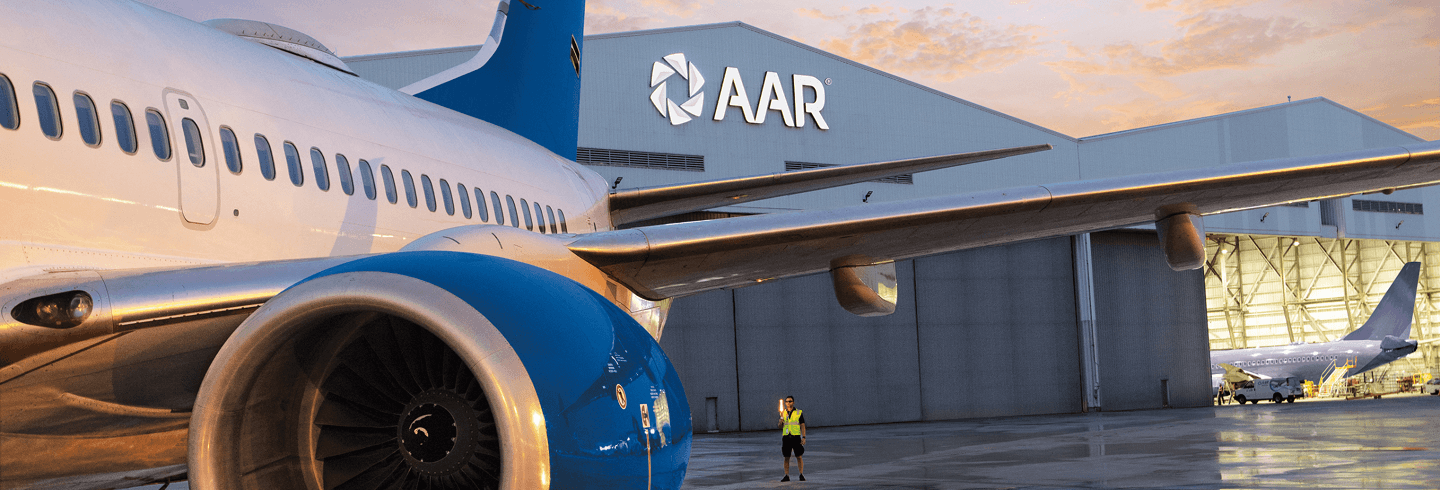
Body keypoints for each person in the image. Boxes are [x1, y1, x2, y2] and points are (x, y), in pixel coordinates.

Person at [777, 395, 806, 482]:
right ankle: (786, 475)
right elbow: (780, 426)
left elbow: (802, 425)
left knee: (799, 456)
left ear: (793, 402)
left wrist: (803, 437)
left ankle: (801, 474)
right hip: (786, 438)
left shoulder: (798, 412)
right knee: (786, 457)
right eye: (787, 401)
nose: (788, 403)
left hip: (796, 437)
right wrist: (780, 422)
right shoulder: (783, 413)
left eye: (790, 401)